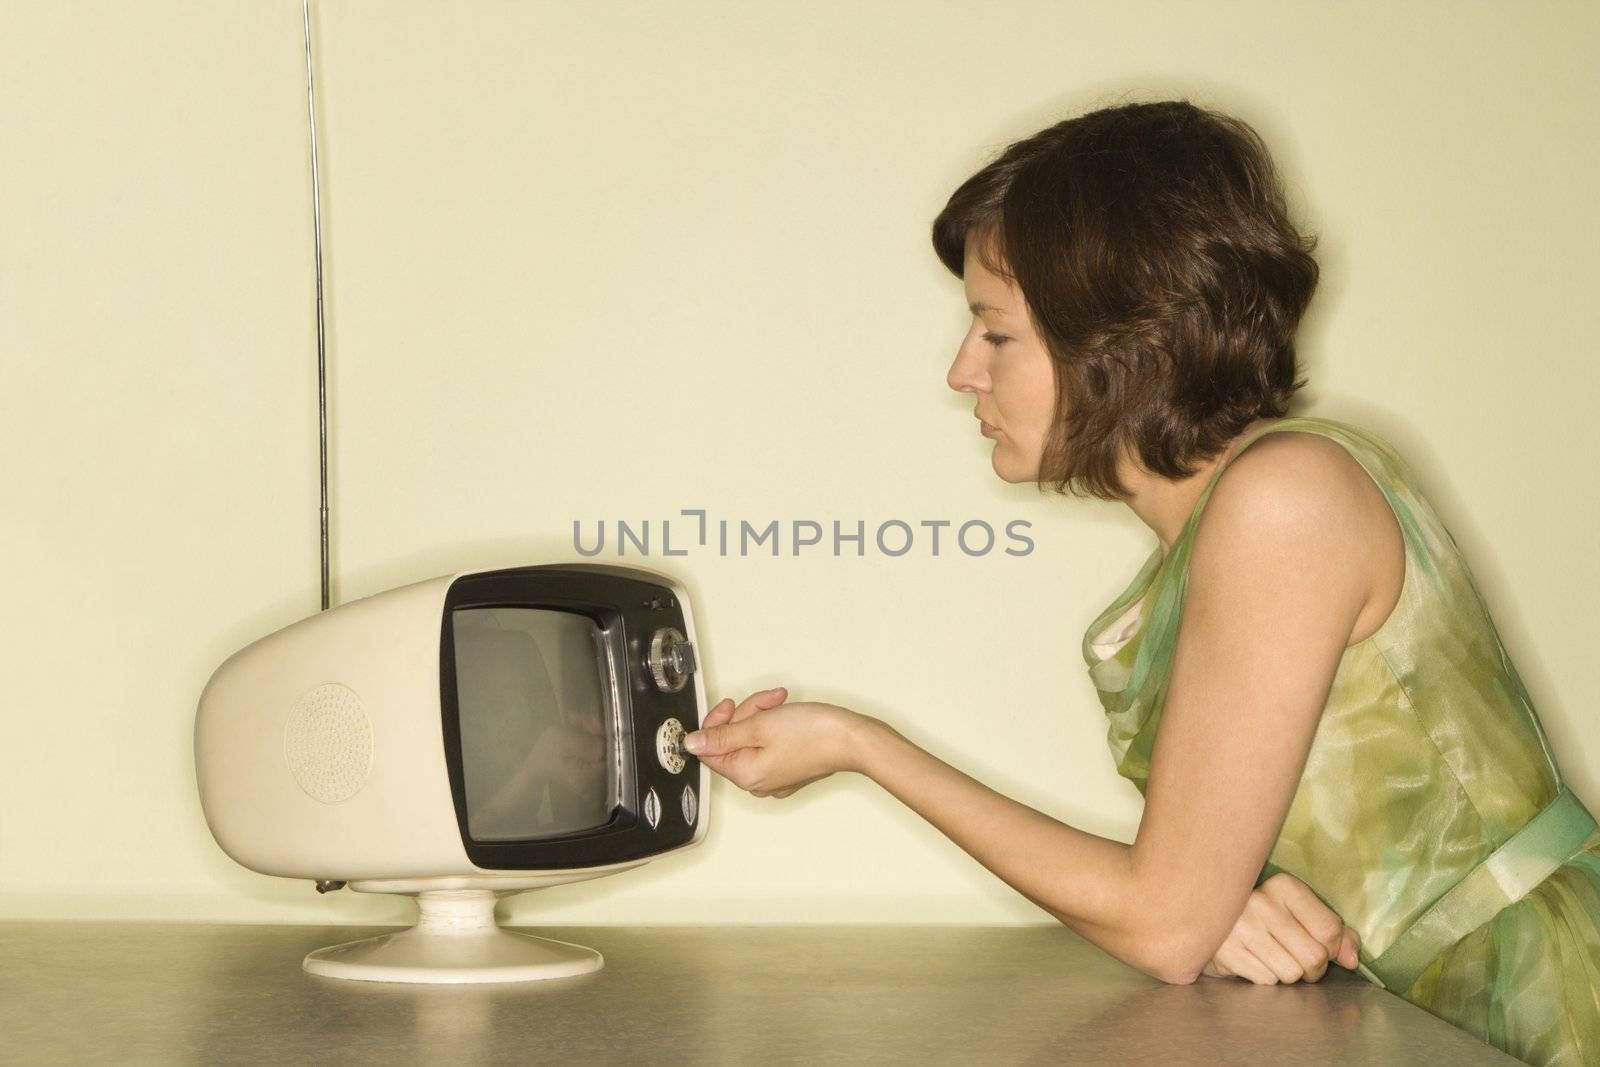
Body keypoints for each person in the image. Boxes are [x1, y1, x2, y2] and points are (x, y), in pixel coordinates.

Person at [680, 99, 1600, 1067]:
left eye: (995, 334)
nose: (961, 372)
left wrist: (857, 744)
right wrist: (1226, 906)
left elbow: (1159, 922)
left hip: (1549, 1012)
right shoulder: (1235, 518)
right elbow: (1193, 905)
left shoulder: (1280, 502)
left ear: (1120, 340)